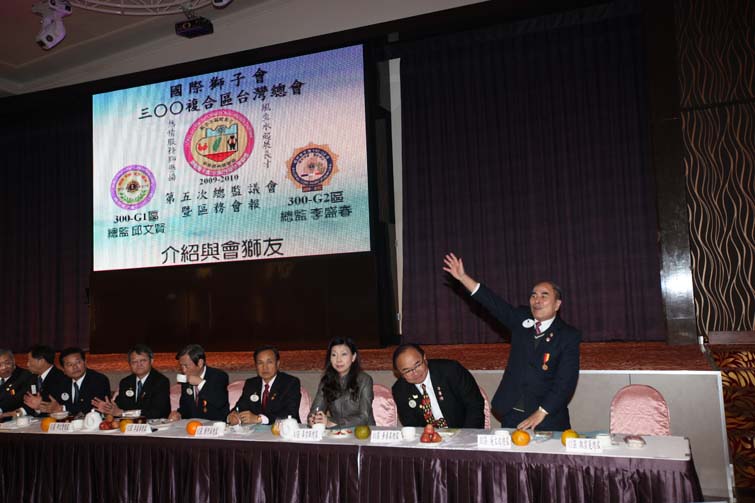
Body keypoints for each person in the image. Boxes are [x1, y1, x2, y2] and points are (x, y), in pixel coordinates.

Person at [443, 252, 581, 431]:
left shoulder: (568, 336)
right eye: (533, 295)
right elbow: (493, 303)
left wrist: (542, 412)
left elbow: (565, 382)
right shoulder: (521, 319)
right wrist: (463, 277)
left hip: (547, 418)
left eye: (544, 295)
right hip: (511, 413)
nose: (537, 300)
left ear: (557, 304)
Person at [391, 343, 485, 428]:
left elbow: (475, 405)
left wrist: (465, 436)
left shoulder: (451, 371)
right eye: (407, 371)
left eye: (418, 365)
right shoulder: (400, 390)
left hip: (463, 430)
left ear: (424, 358)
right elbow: (411, 425)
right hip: (428, 437)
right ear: (399, 373)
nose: (415, 373)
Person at [308, 337, 374, 428]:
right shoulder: (326, 381)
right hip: (336, 432)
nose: (338, 360)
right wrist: (313, 419)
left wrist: (331, 422)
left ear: (353, 357)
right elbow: (315, 410)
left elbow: (364, 417)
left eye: (344, 354)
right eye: (334, 355)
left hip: (363, 431)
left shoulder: (365, 380)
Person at [227, 345, 301, 425]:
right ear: (256, 366)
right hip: (255, 431)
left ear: (277, 364)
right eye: (260, 363)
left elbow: (290, 413)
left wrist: (259, 419)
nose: (265, 367)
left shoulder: (290, 383)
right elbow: (240, 407)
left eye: (269, 362)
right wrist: (233, 416)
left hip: (284, 429)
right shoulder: (251, 384)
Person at [92, 344, 171, 419]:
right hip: (129, 425)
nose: (139, 364)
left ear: (152, 361)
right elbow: (118, 406)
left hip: (155, 426)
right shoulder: (125, 382)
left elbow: (157, 412)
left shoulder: (161, 382)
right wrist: (108, 409)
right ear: (129, 364)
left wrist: (123, 413)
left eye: (143, 360)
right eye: (134, 362)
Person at [168, 344, 229, 421]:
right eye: (181, 366)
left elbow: (220, 402)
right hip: (192, 424)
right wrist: (179, 414)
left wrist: (201, 383)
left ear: (200, 363)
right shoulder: (186, 379)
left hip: (215, 424)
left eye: (186, 366)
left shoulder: (219, 376)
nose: (183, 370)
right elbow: (185, 407)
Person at [49, 347, 111, 416]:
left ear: (85, 362)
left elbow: (92, 407)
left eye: (78, 362)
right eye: (69, 364)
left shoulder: (99, 380)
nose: (75, 367)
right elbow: (55, 405)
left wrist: (63, 408)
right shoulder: (60, 382)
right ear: (63, 369)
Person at [22, 345, 69, 417]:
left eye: (30, 361)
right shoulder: (32, 378)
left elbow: (55, 405)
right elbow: (31, 404)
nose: (27, 364)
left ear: (41, 361)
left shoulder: (60, 378)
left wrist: (39, 406)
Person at [0, 349, 34, 421]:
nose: (3, 367)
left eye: (7, 363)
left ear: (13, 361)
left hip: (17, 419)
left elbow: (16, 400)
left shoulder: (25, 376)